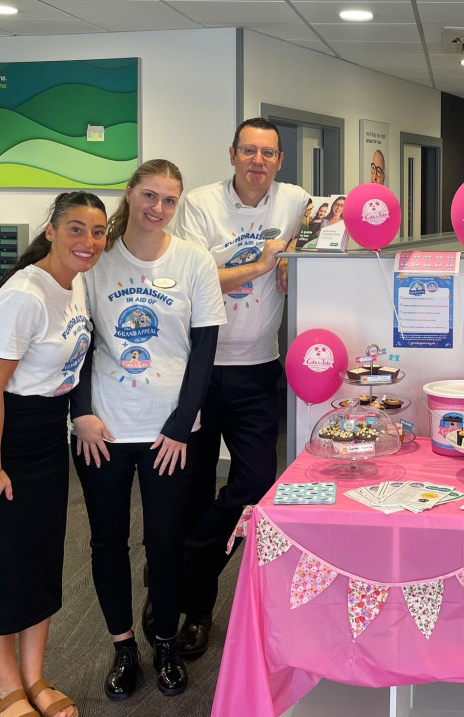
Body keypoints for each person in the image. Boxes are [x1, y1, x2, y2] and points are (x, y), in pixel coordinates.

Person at [71, 160, 226, 700]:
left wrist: (184, 424)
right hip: (103, 430)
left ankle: (162, 640)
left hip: (170, 430)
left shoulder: (193, 260)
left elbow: (205, 345)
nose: (158, 208)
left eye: (169, 200)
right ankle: (122, 648)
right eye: (150, 195)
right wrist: (79, 412)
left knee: (165, 541)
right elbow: (78, 342)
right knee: (107, 540)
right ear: (131, 194)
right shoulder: (95, 261)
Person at [173, 118, 310, 659]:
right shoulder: (202, 203)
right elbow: (197, 275)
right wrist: (263, 262)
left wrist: (296, 248)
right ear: (232, 154)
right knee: (192, 486)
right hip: (198, 367)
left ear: (280, 161)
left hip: (258, 367)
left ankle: (182, 567)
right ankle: (197, 608)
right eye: (248, 151)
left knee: (253, 484)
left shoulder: (295, 199)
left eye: (268, 153)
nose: (258, 161)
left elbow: (343, 216)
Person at [0, 192, 107, 717]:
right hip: (9, 437)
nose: (88, 242)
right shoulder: (25, 294)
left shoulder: (75, 284)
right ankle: (7, 688)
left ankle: (35, 676)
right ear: (51, 230)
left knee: (42, 560)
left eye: (97, 232)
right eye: (76, 230)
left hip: (47, 437)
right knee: (7, 565)